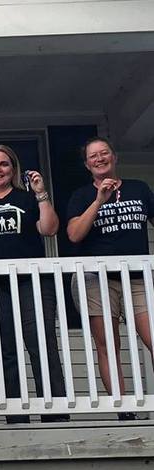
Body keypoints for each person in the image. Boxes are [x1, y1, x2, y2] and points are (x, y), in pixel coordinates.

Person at [0, 145, 68, 423]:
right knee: (5, 349)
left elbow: (49, 229)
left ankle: (54, 413)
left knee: (42, 344)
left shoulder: (27, 199)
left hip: (31, 283)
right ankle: (18, 417)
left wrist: (41, 193)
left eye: (4, 164)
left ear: (13, 169)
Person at [67, 136, 154, 420]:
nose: (99, 158)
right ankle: (124, 407)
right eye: (93, 156)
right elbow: (74, 235)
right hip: (97, 279)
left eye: (104, 153)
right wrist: (98, 201)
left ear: (114, 157)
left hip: (138, 277)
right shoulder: (81, 196)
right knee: (108, 344)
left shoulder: (139, 189)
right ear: (87, 164)